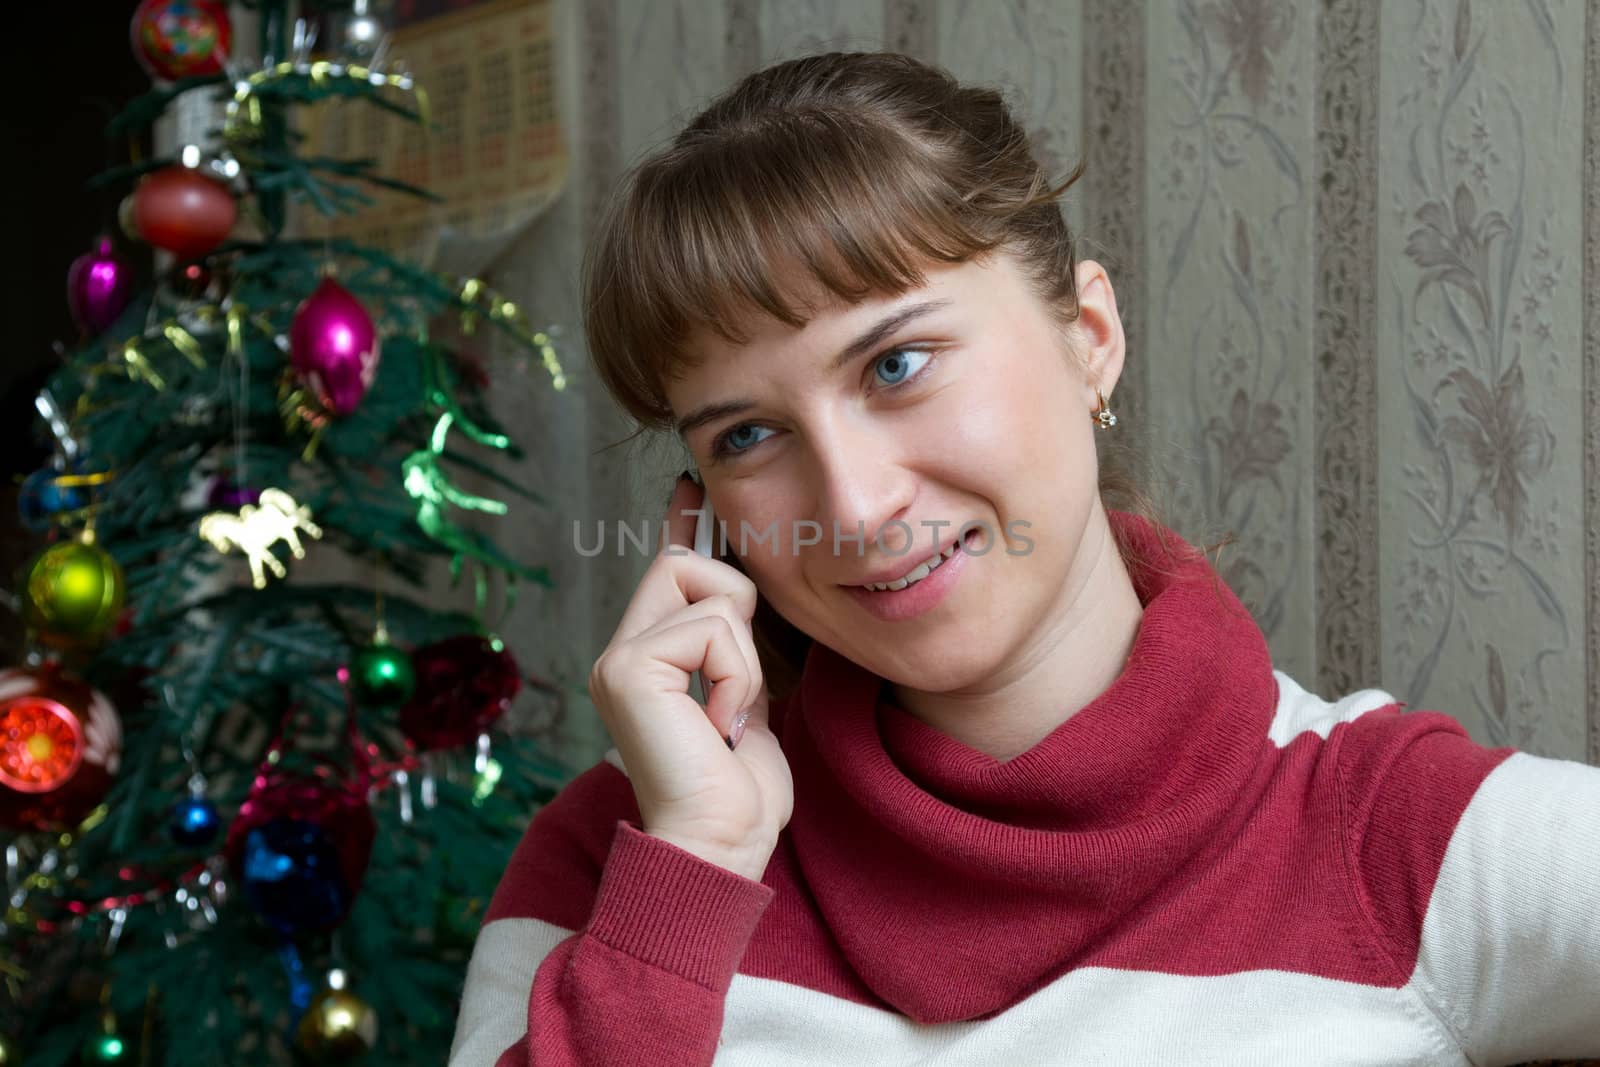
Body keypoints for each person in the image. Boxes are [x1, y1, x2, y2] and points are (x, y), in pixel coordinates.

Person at [448, 51, 1600, 1066]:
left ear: (1088, 338)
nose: (852, 507)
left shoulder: (1394, 835)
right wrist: (695, 869)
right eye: (748, 434)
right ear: (702, 510)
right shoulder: (622, 862)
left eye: (897, 364)